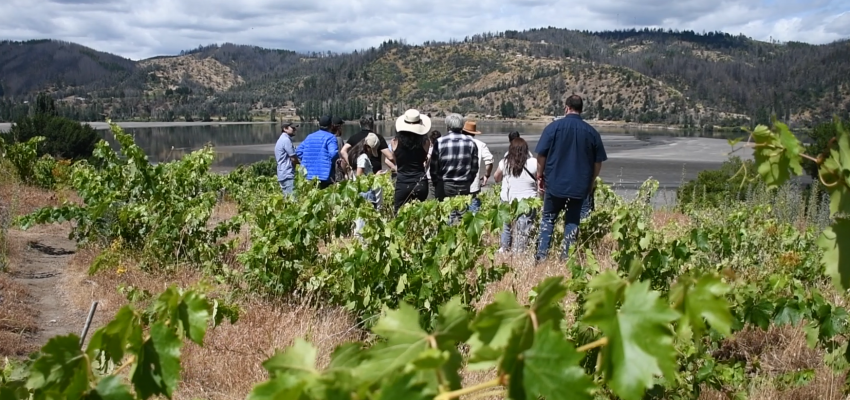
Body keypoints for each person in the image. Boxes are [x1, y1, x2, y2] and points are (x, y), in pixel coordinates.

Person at [534, 94, 607, 262]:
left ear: (566, 108)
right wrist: (591, 181)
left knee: (548, 218)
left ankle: (541, 257)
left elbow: (541, 156)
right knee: (572, 220)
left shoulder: (553, 128)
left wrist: (540, 175)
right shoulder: (592, 132)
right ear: (581, 110)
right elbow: (598, 163)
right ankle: (566, 258)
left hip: (555, 183)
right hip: (579, 186)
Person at [430, 113, 479, 224]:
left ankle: (446, 239)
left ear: (448, 126)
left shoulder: (440, 142)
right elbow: (475, 167)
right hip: (464, 184)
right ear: (462, 126)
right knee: (464, 217)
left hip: (444, 184)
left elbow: (433, 166)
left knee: (446, 215)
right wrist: (468, 180)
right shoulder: (471, 142)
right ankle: (464, 239)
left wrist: (435, 182)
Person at [494, 137, 538, 253]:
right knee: (522, 230)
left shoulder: (505, 163)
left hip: (508, 199)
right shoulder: (533, 162)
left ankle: (504, 248)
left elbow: (496, 177)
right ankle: (518, 253)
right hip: (528, 201)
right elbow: (541, 178)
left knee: (506, 226)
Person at [392, 109, 432, 212]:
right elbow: (424, 158)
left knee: (398, 217)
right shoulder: (426, 142)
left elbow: (396, 161)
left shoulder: (395, 142)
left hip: (402, 183)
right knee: (419, 216)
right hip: (420, 182)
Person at [295, 115, 339, 189]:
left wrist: (307, 159)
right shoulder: (331, 137)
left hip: (308, 174)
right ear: (331, 125)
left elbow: (298, 151)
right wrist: (327, 160)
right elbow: (333, 153)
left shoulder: (310, 136)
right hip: (324, 175)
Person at [461, 121, 493, 213]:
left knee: (455, 217)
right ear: (474, 133)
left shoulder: (456, 142)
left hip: (456, 185)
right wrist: (487, 175)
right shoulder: (480, 144)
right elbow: (489, 161)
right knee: (473, 218)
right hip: (473, 186)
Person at [274, 122, 299, 197]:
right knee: (293, 200)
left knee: (287, 199)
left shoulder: (281, 139)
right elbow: (293, 158)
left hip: (282, 173)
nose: (295, 129)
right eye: (293, 128)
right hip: (287, 173)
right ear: (285, 129)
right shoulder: (286, 140)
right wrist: (300, 166)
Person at [330, 116, 349, 182]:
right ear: (339, 127)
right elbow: (341, 159)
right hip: (337, 175)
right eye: (341, 126)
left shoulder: (327, 138)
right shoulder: (338, 139)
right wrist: (346, 173)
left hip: (328, 174)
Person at [426, 130, 441, 200]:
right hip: (440, 177)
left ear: (430, 140)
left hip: (430, 177)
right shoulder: (441, 149)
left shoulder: (430, 150)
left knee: (430, 199)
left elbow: (425, 163)